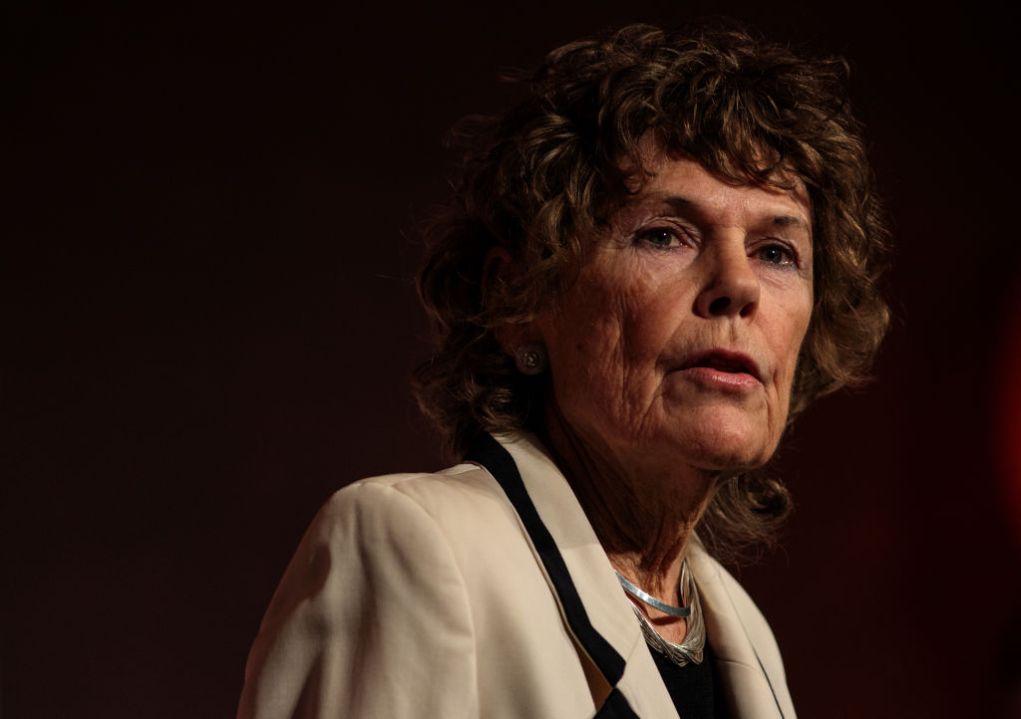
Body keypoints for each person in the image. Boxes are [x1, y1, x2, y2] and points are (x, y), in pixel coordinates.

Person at [237, 22, 889, 719]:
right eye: (663, 235)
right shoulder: (415, 546)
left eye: (776, 252)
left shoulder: (741, 630)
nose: (737, 285)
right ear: (517, 298)